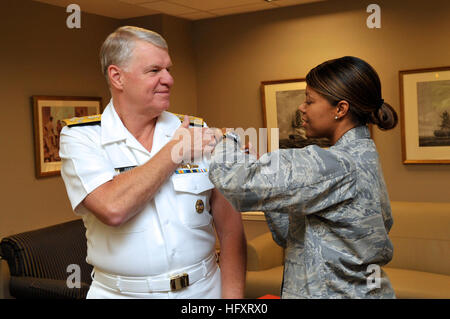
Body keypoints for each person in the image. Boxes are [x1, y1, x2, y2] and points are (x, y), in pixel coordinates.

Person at [59, 26, 246, 299]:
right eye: (154, 70)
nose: (168, 79)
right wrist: (175, 151)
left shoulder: (197, 130)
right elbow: (112, 208)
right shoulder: (81, 137)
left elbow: (231, 231)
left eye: (169, 69)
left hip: (204, 291)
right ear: (117, 77)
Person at [209, 56, 398, 298]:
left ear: (340, 109)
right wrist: (272, 187)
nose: (301, 107)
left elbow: (236, 182)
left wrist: (226, 138)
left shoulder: (336, 164)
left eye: (309, 101)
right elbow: (290, 235)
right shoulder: (363, 154)